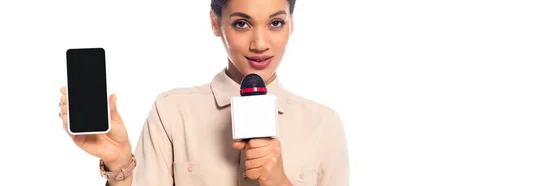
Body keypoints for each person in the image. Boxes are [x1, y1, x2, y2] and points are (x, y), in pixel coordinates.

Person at [58, 0, 349, 185]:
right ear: (215, 23)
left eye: (276, 23)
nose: (260, 43)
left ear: (291, 24)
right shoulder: (172, 113)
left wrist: (280, 182)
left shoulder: (323, 124)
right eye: (241, 24)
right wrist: (120, 165)